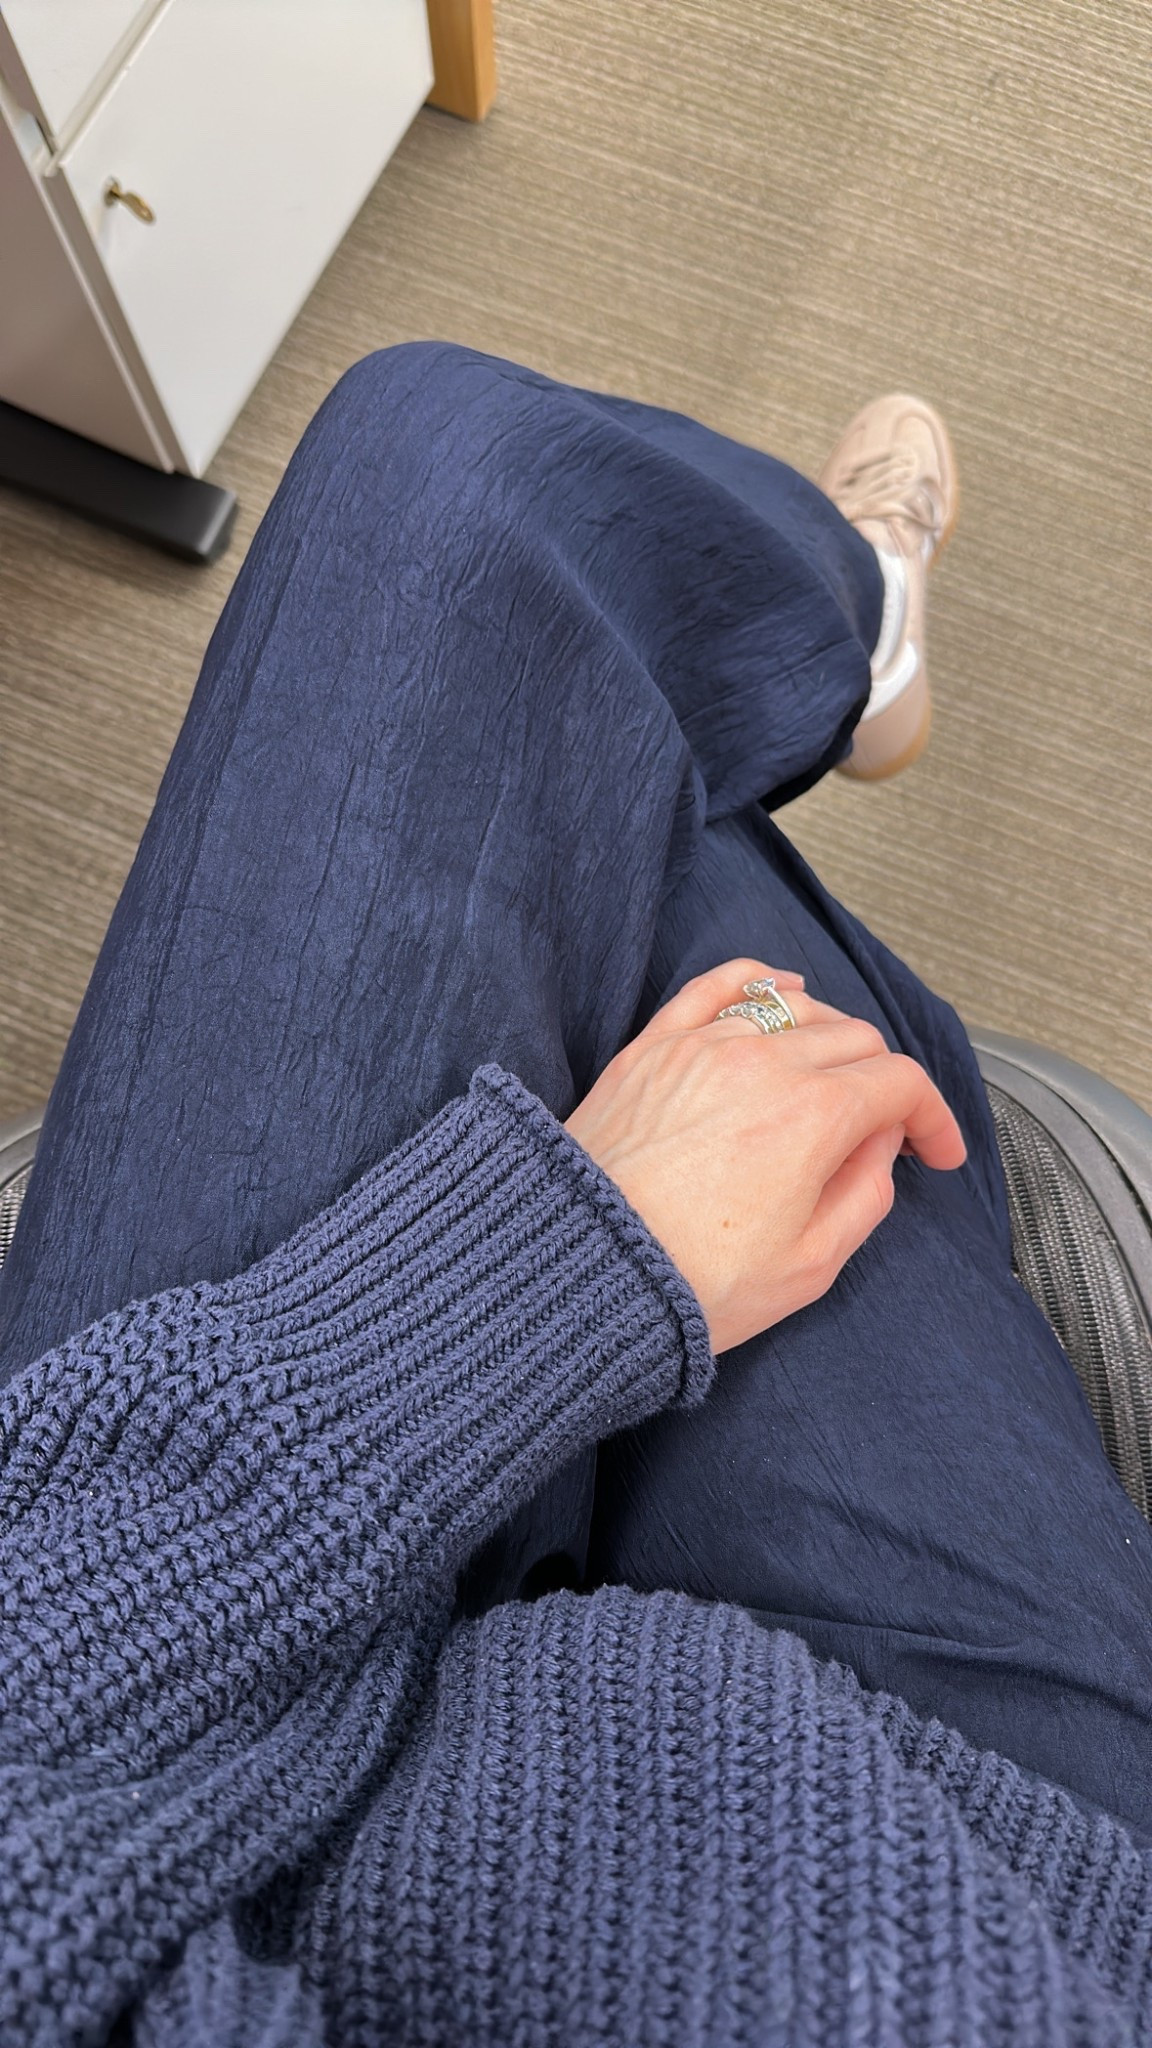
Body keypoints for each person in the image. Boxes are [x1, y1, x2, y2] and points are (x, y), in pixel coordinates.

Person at [0, 345, 1150, 2048]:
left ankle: (838, 626)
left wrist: (539, 1279)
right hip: (984, 1855)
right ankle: (845, 616)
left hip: (181, 1758)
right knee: (640, 805)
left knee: (457, 496)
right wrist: (573, 1265)